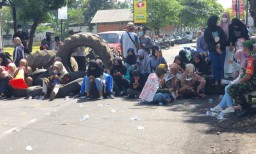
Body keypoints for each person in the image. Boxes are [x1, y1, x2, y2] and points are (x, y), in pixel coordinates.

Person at [211, 41, 256, 115]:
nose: (242, 50)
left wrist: (238, 81)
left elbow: (248, 76)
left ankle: (235, 107)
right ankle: (222, 106)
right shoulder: (251, 57)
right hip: (250, 81)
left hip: (252, 83)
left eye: (243, 48)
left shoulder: (251, 59)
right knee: (228, 87)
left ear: (245, 49)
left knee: (230, 88)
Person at [204, 15, 227, 85]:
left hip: (222, 49)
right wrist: (215, 48)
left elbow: (224, 37)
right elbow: (208, 42)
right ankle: (216, 80)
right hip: (213, 51)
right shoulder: (207, 31)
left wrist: (220, 44)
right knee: (215, 65)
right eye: (215, 21)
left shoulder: (219, 28)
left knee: (221, 65)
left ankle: (221, 79)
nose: (216, 22)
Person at [219, 12, 233, 77]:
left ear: (228, 17)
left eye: (225, 16)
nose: (224, 18)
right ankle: (224, 72)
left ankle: (229, 72)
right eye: (223, 16)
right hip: (222, 44)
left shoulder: (230, 25)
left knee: (229, 58)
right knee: (223, 59)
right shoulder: (220, 25)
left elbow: (231, 35)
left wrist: (231, 44)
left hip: (229, 44)